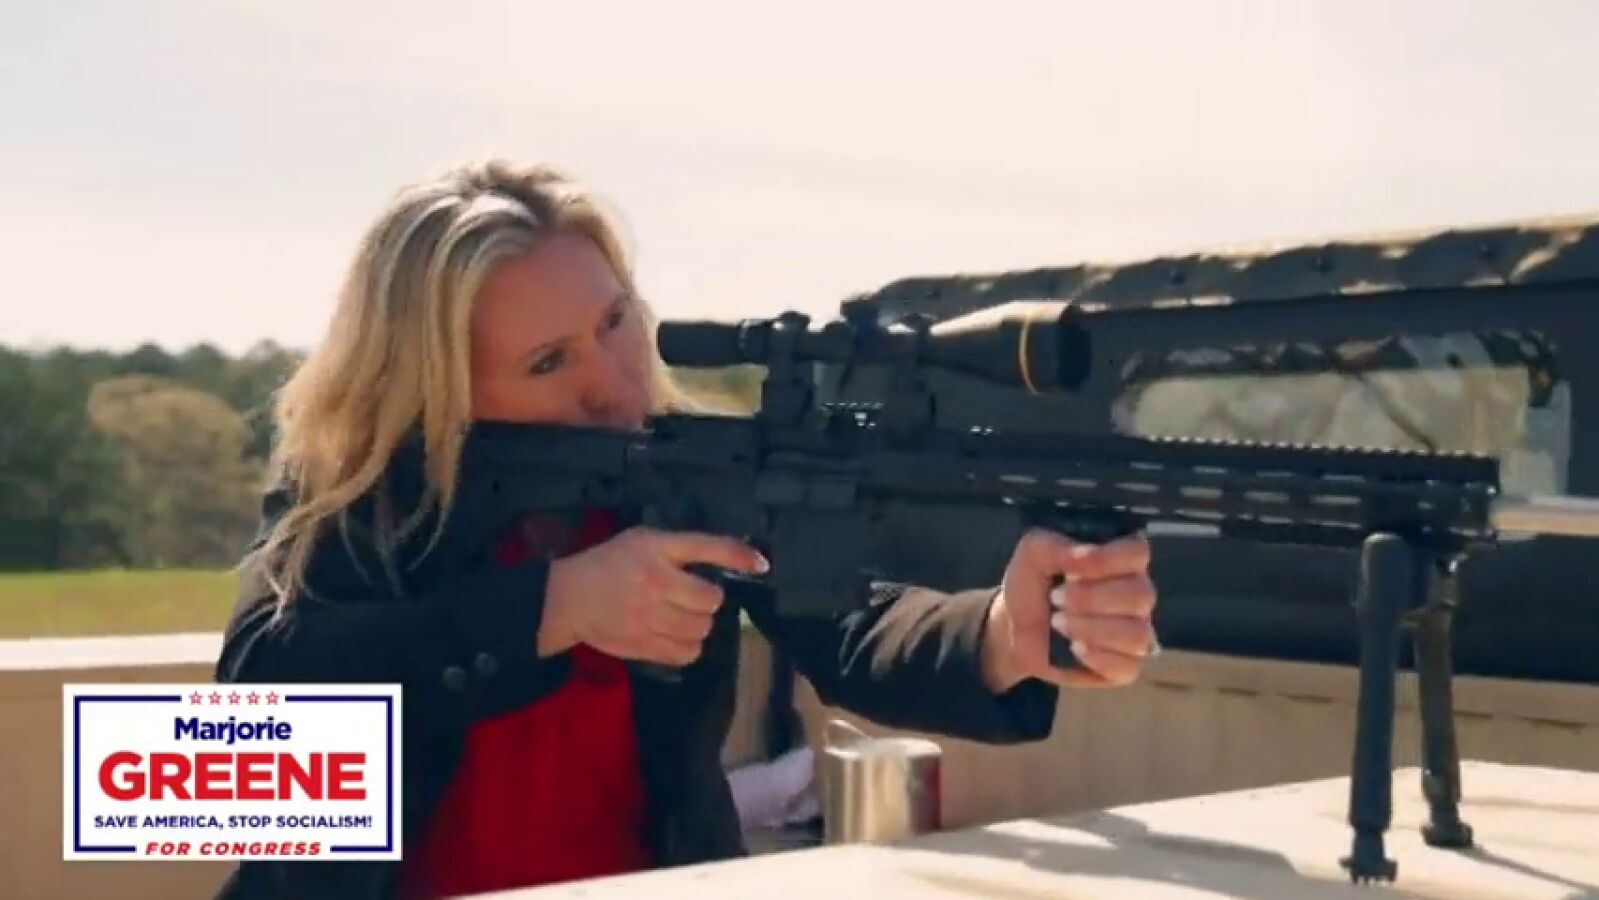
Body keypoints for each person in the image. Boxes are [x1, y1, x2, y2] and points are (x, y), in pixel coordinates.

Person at [213, 159, 1159, 899]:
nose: (611, 381)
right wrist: (554, 607)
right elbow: (237, 743)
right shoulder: (361, 500)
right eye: (547, 362)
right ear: (441, 390)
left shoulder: (680, 475)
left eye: (615, 322)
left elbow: (848, 623)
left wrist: (1001, 633)